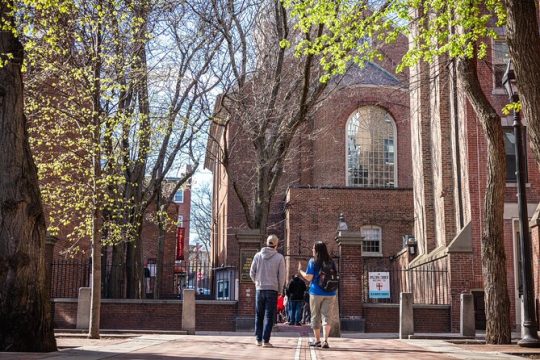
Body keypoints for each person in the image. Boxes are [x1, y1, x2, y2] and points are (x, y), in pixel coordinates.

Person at [298, 241, 337, 349]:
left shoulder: (313, 261)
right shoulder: (331, 261)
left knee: (315, 316)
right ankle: (325, 340)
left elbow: (309, 277)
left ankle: (318, 340)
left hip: (316, 292)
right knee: (327, 316)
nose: (312, 250)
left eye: (313, 248)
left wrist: (300, 271)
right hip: (331, 292)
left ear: (317, 250)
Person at [250, 234, 286, 348]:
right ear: (276, 244)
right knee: (269, 316)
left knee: (259, 315)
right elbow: (282, 276)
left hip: (260, 289)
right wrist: (280, 290)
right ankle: (266, 340)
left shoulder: (257, 256)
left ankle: (258, 339)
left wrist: (257, 283)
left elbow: (251, 272)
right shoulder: (279, 257)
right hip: (272, 289)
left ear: (267, 243)